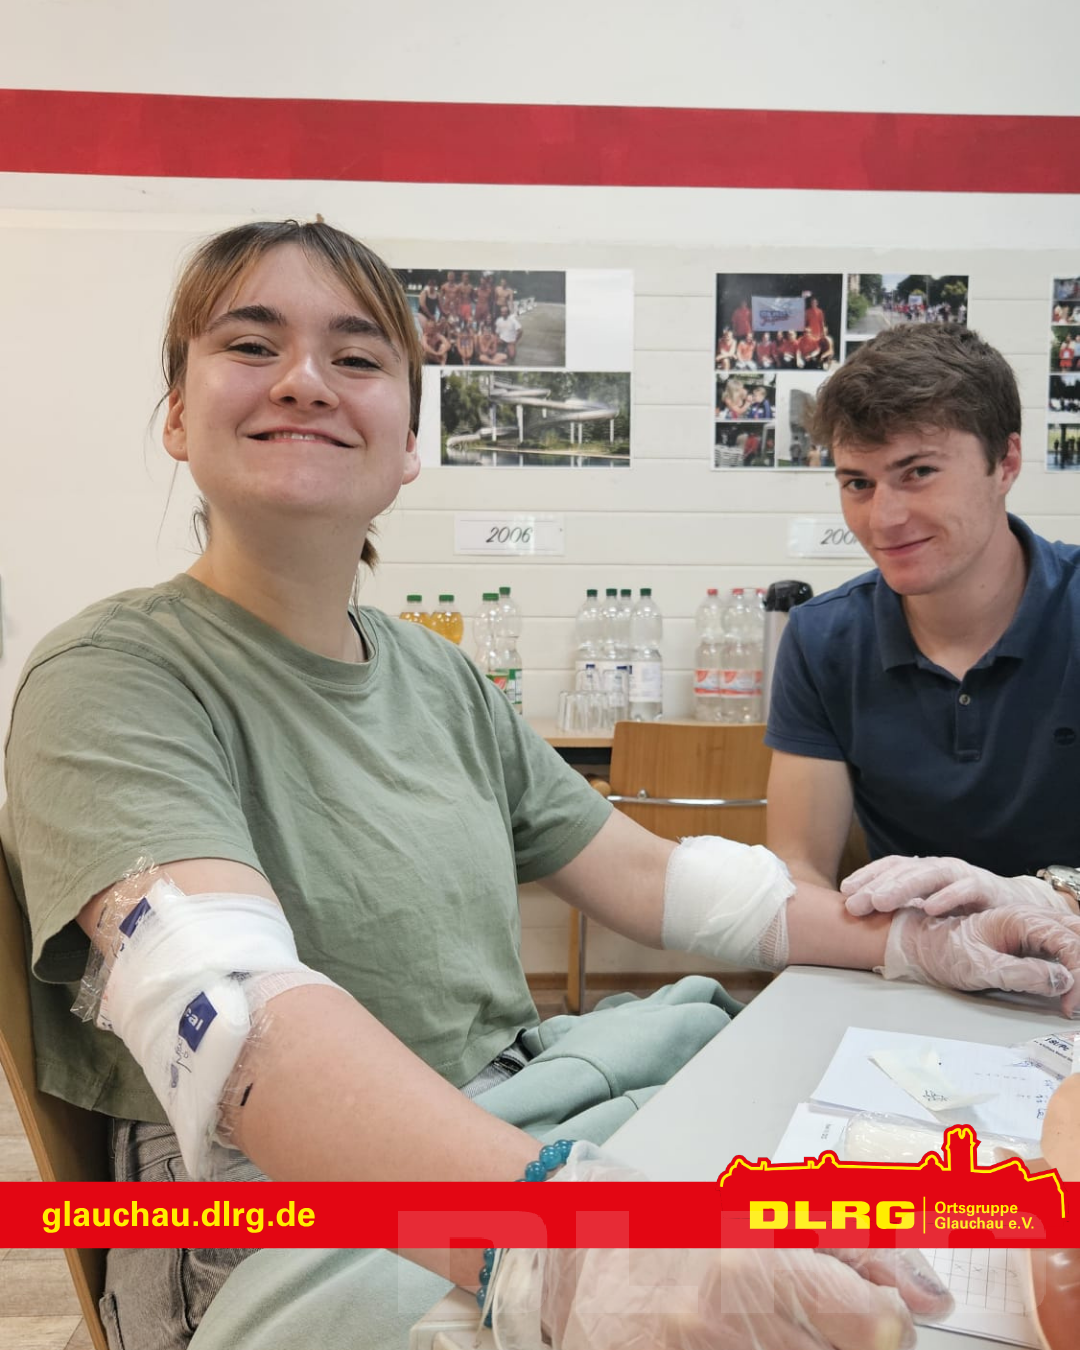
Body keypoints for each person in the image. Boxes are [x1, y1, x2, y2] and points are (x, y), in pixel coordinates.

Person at [4, 224, 1079, 1350]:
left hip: (512, 1117)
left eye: (357, 358)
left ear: (409, 442)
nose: (306, 380)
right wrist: (562, 1244)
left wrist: (914, 939)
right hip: (276, 1198)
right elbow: (225, 1012)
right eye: (251, 344)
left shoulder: (438, 676)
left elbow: (659, 882)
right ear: (177, 414)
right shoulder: (114, 675)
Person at [765, 323, 1080, 903]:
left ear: (1006, 462)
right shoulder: (822, 638)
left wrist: (1047, 902)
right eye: (858, 483)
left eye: (919, 472)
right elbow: (799, 875)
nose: (884, 519)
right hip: (902, 952)